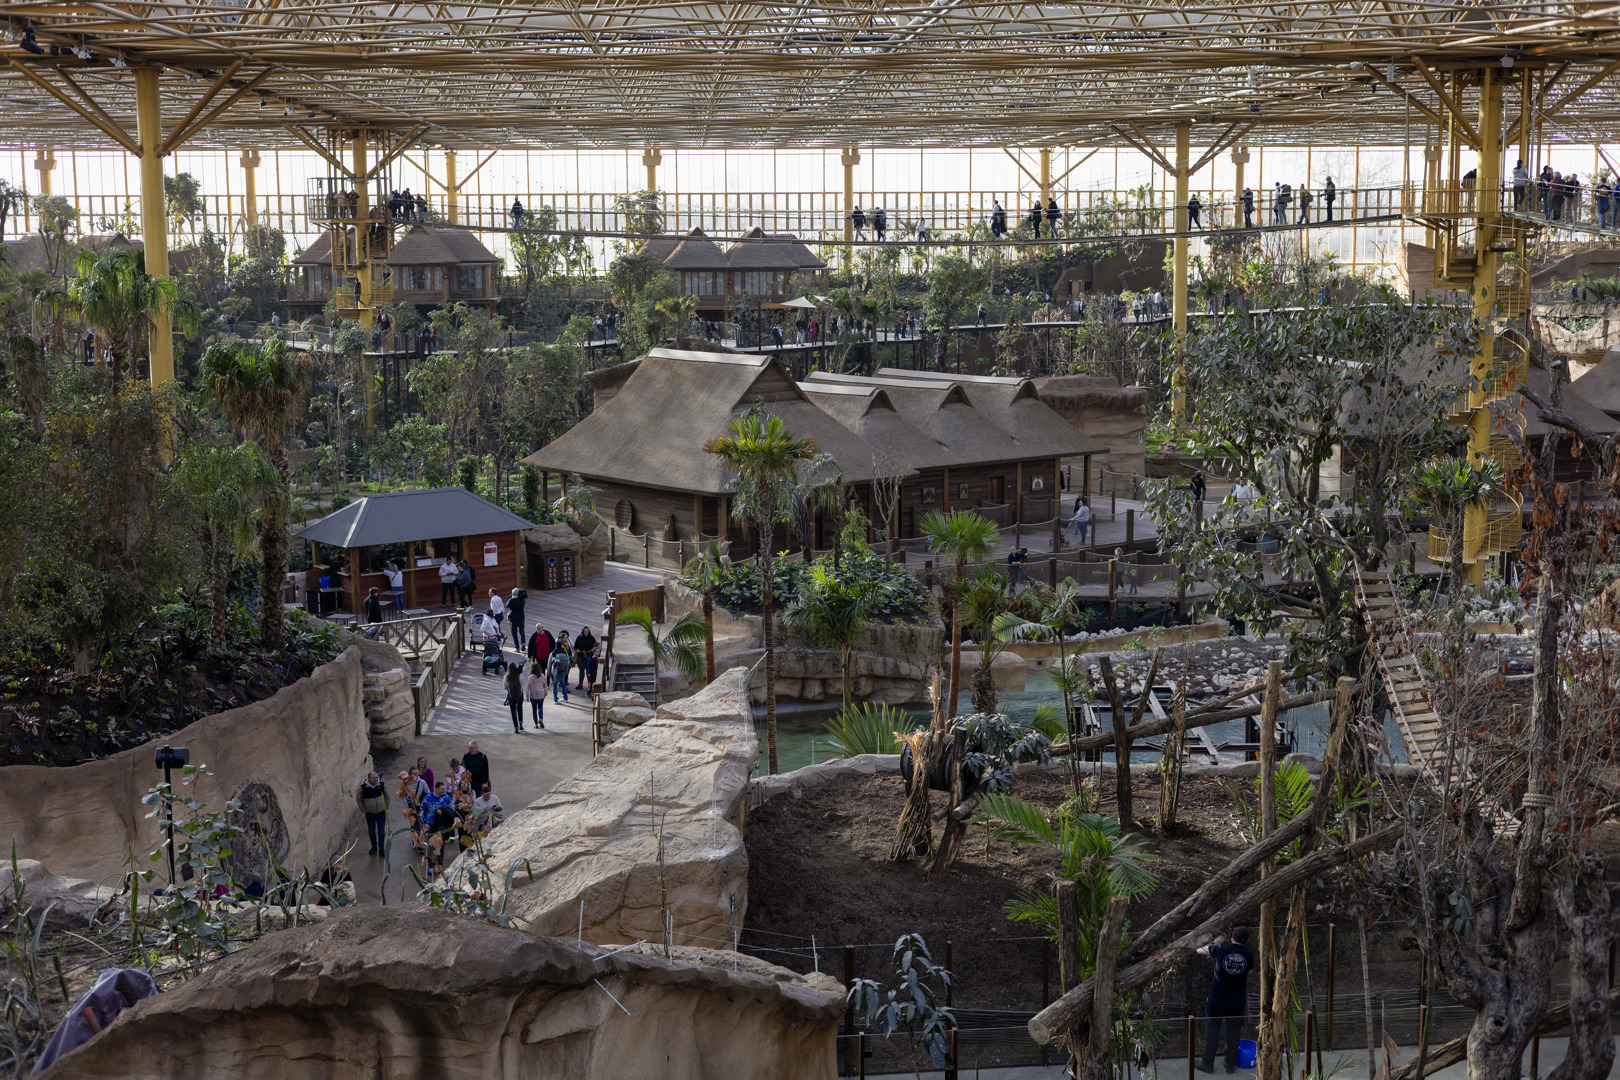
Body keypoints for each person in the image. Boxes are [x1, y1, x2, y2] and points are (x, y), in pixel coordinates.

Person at [1196, 928, 1256, 1074]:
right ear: (1247, 941)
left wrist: (1214, 942)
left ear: (1232, 936)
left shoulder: (1221, 948)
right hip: (1237, 999)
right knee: (1234, 1031)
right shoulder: (1249, 955)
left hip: (1217, 998)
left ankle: (1208, 1063)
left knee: (1212, 1028)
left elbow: (1199, 950)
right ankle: (1230, 1065)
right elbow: (1249, 971)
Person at [355, 771, 389, 855]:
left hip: (381, 813)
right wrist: (363, 809)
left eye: (377, 777)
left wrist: (386, 807)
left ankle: (381, 848)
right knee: (371, 832)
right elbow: (358, 799)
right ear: (369, 778)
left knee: (381, 831)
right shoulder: (363, 788)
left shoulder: (382, 785)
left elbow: (387, 795)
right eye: (374, 778)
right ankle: (374, 847)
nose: (376, 779)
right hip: (370, 814)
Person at [503, 662, 524, 733]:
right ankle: (521, 723)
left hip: (511, 695)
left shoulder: (506, 676)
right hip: (519, 694)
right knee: (520, 709)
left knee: (513, 711)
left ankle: (516, 727)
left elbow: (505, 687)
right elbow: (523, 683)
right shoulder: (519, 675)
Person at [525, 661, 547, 729]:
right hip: (541, 695)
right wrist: (545, 692)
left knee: (534, 710)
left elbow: (528, 687)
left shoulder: (531, 677)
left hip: (533, 695)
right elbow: (545, 685)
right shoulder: (542, 676)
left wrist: (527, 695)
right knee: (540, 708)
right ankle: (541, 719)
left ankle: (536, 724)